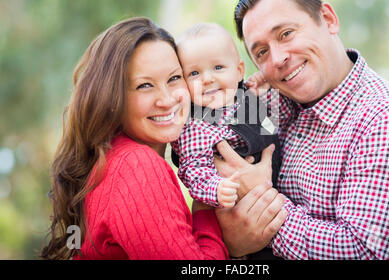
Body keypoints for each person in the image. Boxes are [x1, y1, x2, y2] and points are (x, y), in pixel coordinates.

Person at [213, 0, 389, 259]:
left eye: (286, 34)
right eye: (262, 52)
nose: (278, 58)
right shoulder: (270, 105)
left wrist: (261, 204)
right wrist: (240, 93)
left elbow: (366, 253)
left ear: (328, 19)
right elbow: (197, 128)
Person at [39, 17, 287, 260]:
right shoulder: (135, 166)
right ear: (112, 97)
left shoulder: (115, 158)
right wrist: (220, 230)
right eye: (144, 86)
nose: (167, 99)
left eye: (174, 78)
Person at [171, 22, 282, 209]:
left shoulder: (246, 97)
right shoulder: (195, 125)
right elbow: (193, 171)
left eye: (218, 67)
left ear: (239, 71)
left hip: (279, 189)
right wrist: (216, 189)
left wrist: (265, 91)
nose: (207, 79)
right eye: (194, 73)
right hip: (235, 204)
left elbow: (274, 126)